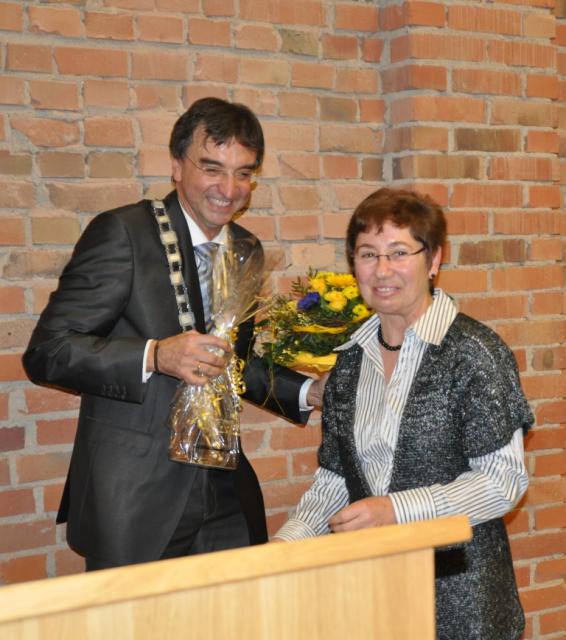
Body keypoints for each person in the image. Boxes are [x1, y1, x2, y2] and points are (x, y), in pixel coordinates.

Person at [23, 97, 325, 571]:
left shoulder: (246, 248)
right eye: (212, 168)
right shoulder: (123, 233)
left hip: (226, 488)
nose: (229, 189)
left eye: (243, 173)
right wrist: (155, 355)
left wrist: (309, 392)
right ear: (176, 166)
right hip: (134, 497)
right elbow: (48, 352)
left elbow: (232, 363)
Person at [274, 188, 533, 640]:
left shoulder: (474, 353)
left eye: (399, 252)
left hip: (463, 600)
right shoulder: (349, 363)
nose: (382, 270)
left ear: (433, 260)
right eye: (368, 254)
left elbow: (503, 481)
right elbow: (336, 478)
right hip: (378, 597)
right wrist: (286, 545)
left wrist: (396, 510)